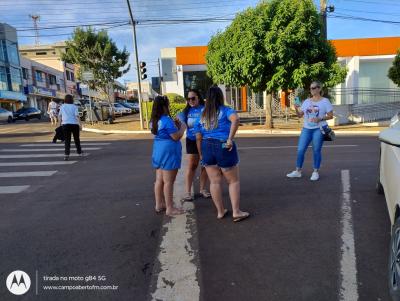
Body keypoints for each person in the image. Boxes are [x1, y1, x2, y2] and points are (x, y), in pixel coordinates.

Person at [195, 86, 250, 222]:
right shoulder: (225, 110)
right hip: (223, 145)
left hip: (206, 146)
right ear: (220, 97)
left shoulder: (202, 114)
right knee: (233, 181)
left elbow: (198, 136)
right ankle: (236, 212)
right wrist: (230, 138)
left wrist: (201, 154)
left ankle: (220, 211)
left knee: (214, 182)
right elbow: (235, 119)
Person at [286, 81, 334, 181]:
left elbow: (330, 115)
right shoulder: (307, 101)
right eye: (311, 88)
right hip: (306, 129)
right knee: (300, 150)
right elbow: (300, 115)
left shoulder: (325, 101)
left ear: (319, 89)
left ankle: (315, 171)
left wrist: (320, 119)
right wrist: (296, 108)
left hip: (318, 129)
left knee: (316, 150)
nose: (311, 90)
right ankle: (298, 171)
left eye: (314, 88)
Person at [151, 95, 187, 216]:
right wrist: (182, 127)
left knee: (159, 180)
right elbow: (176, 136)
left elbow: (164, 133)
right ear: (164, 106)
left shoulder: (154, 121)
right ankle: (170, 208)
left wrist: (175, 126)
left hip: (158, 151)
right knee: (168, 182)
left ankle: (159, 204)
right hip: (168, 153)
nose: (169, 107)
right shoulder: (166, 120)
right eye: (168, 105)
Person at [178, 89, 211, 201]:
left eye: (193, 98)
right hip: (191, 140)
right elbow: (178, 123)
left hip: (205, 140)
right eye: (188, 99)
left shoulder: (205, 109)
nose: (191, 101)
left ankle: (202, 189)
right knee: (192, 165)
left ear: (198, 97)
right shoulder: (186, 111)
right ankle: (188, 192)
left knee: (205, 165)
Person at [58, 94, 83, 161]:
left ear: (65, 99)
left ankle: (66, 155)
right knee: (76, 139)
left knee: (67, 140)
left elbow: (60, 116)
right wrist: (80, 125)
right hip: (74, 124)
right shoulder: (74, 106)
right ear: (72, 99)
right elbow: (77, 116)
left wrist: (59, 125)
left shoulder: (62, 106)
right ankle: (79, 152)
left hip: (65, 125)